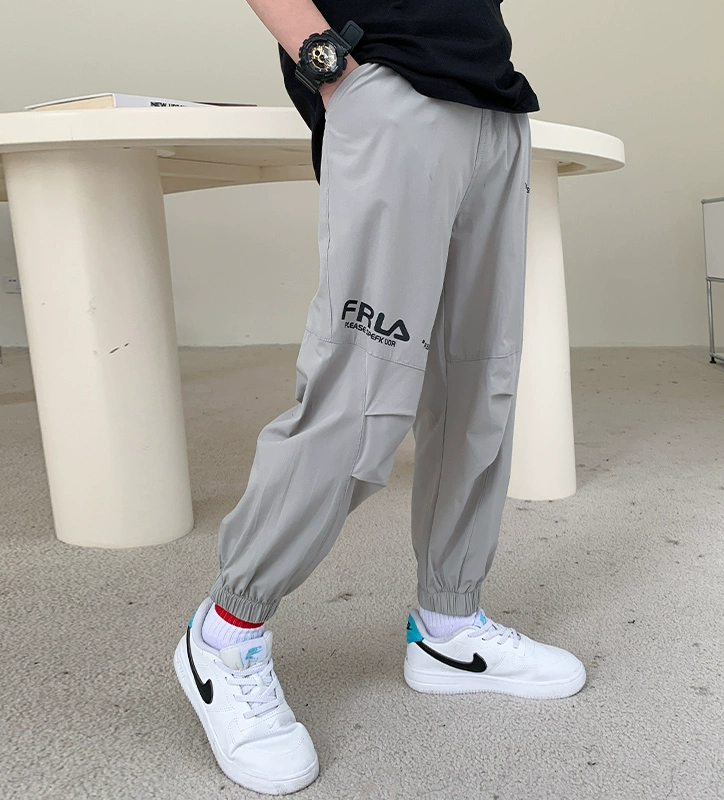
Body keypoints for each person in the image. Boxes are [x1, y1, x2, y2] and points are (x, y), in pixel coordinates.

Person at [173, 1, 586, 794]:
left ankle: (449, 626)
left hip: (494, 104)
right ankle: (225, 633)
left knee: (479, 385)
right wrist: (330, 67)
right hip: (390, 87)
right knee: (362, 391)